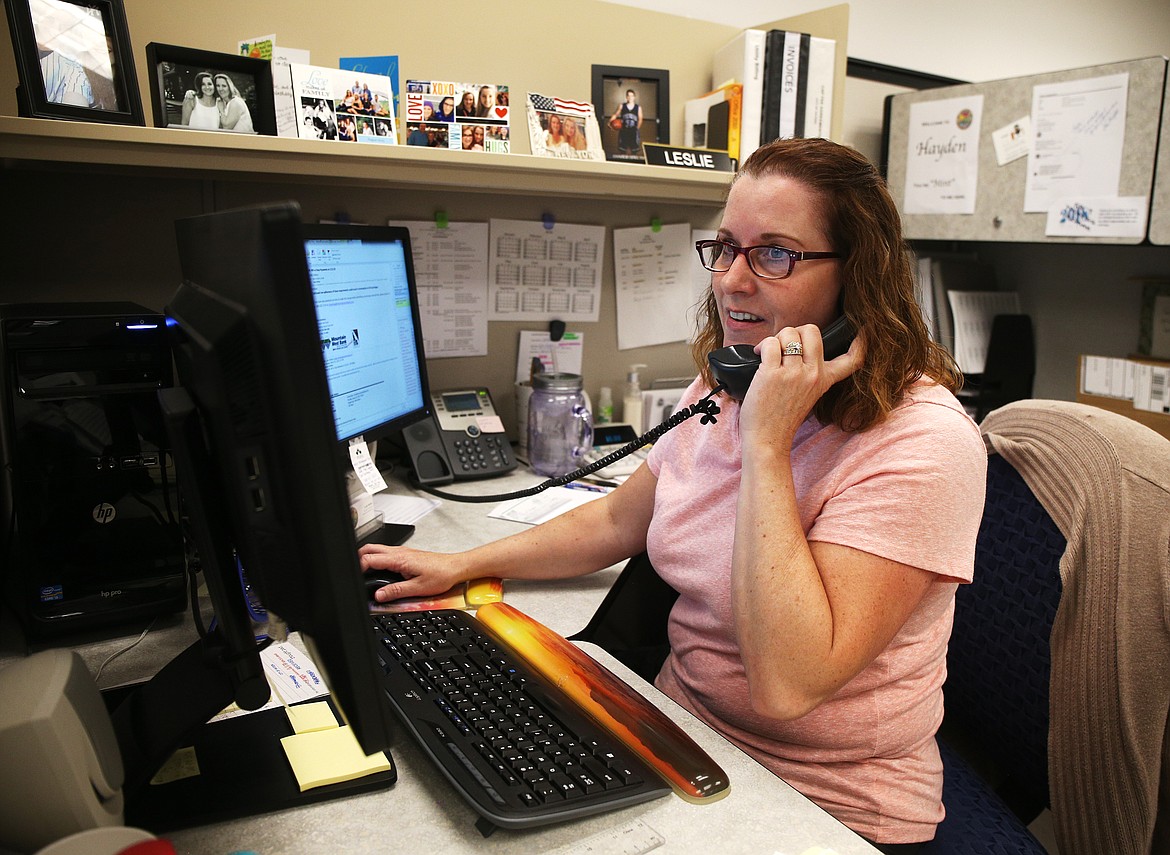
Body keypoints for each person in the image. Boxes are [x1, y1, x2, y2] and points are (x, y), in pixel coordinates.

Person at [360, 137, 986, 852]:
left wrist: (766, 442)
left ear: (858, 278)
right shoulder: (733, 378)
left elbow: (788, 684)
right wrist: (464, 564)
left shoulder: (923, 444)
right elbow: (618, 518)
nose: (731, 280)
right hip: (675, 730)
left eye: (775, 253)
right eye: (725, 247)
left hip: (824, 800)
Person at [609, 88, 642, 155]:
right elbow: (616, 114)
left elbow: (640, 119)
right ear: (626, 97)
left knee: (634, 151)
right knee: (622, 150)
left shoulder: (638, 107)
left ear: (634, 97)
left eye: (632, 96)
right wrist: (610, 122)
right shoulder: (622, 106)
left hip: (633, 131)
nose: (630, 97)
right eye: (628, 96)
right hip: (624, 130)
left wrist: (637, 129)